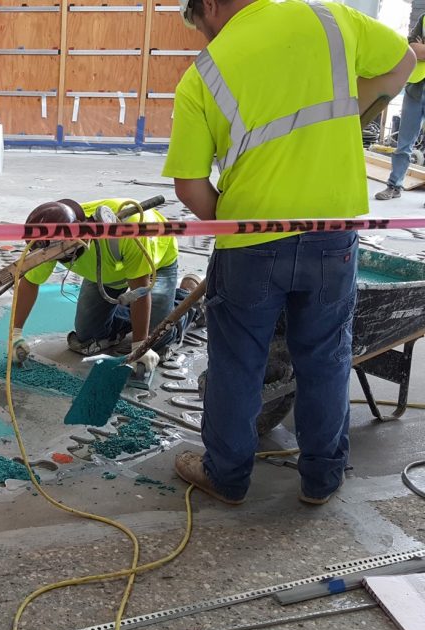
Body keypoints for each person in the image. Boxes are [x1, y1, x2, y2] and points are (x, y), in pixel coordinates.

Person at [166, 0, 414, 505]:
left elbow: (191, 188)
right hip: (333, 232)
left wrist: (238, 229)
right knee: (325, 359)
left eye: (202, 25)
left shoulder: (204, 73)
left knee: (238, 364)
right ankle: (322, 480)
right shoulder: (327, 18)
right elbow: (405, 60)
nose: (206, 39)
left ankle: (227, 477)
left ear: (210, 6)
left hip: (251, 244)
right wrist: (358, 109)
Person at [11, 198, 199, 373]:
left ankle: (188, 296)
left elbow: (139, 291)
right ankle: (135, 316)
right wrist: (15, 334)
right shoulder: (50, 238)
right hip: (107, 271)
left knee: (157, 339)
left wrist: (140, 345)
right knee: (87, 338)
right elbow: (29, 282)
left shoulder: (127, 232)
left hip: (155, 263)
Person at [375, 12, 425, 201]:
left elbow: (421, 50)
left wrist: (423, 48)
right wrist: (418, 49)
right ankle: (394, 186)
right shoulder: (424, 18)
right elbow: (413, 48)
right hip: (415, 88)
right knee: (404, 143)